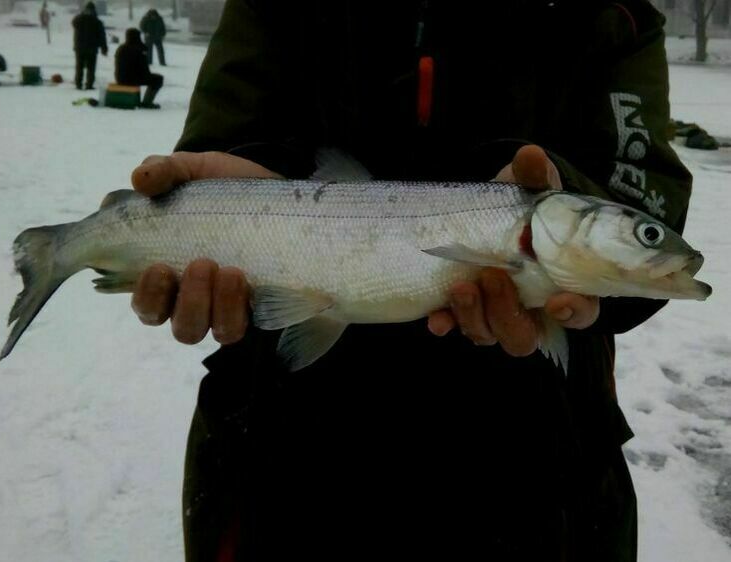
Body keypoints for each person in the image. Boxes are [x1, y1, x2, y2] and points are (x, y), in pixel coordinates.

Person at [129, 1, 692, 560]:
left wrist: (567, 197)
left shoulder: (614, 13)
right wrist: (237, 188)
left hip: (538, 469)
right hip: (282, 458)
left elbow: (643, 192)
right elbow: (234, 131)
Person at [114, 28, 164, 109]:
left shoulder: (121, 48)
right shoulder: (138, 50)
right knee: (158, 79)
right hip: (131, 79)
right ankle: (147, 103)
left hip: (120, 78)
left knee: (149, 78)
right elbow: (144, 69)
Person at [72, 1, 107, 90]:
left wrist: (81, 14)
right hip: (92, 48)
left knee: (79, 66)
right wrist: (104, 48)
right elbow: (102, 36)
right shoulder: (97, 22)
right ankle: (89, 84)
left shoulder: (79, 20)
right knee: (91, 68)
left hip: (79, 48)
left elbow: (73, 22)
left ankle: (78, 84)